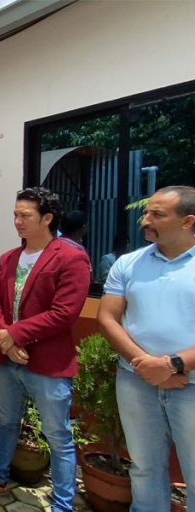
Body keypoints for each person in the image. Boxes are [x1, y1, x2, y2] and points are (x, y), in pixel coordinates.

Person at [0, 187, 90, 512]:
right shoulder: (10, 257)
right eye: (15, 214)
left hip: (47, 361)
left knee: (57, 435)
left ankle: (62, 504)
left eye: (25, 216)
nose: (17, 221)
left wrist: (14, 335)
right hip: (9, 358)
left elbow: (65, 313)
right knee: (6, 421)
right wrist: (5, 335)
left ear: (47, 218)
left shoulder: (70, 255)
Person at [97, 186, 195, 511]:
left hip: (190, 386)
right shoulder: (129, 263)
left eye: (157, 214)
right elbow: (107, 318)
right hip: (136, 381)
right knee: (144, 468)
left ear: (187, 221)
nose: (145, 220)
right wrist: (148, 366)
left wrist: (173, 365)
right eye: (146, 212)